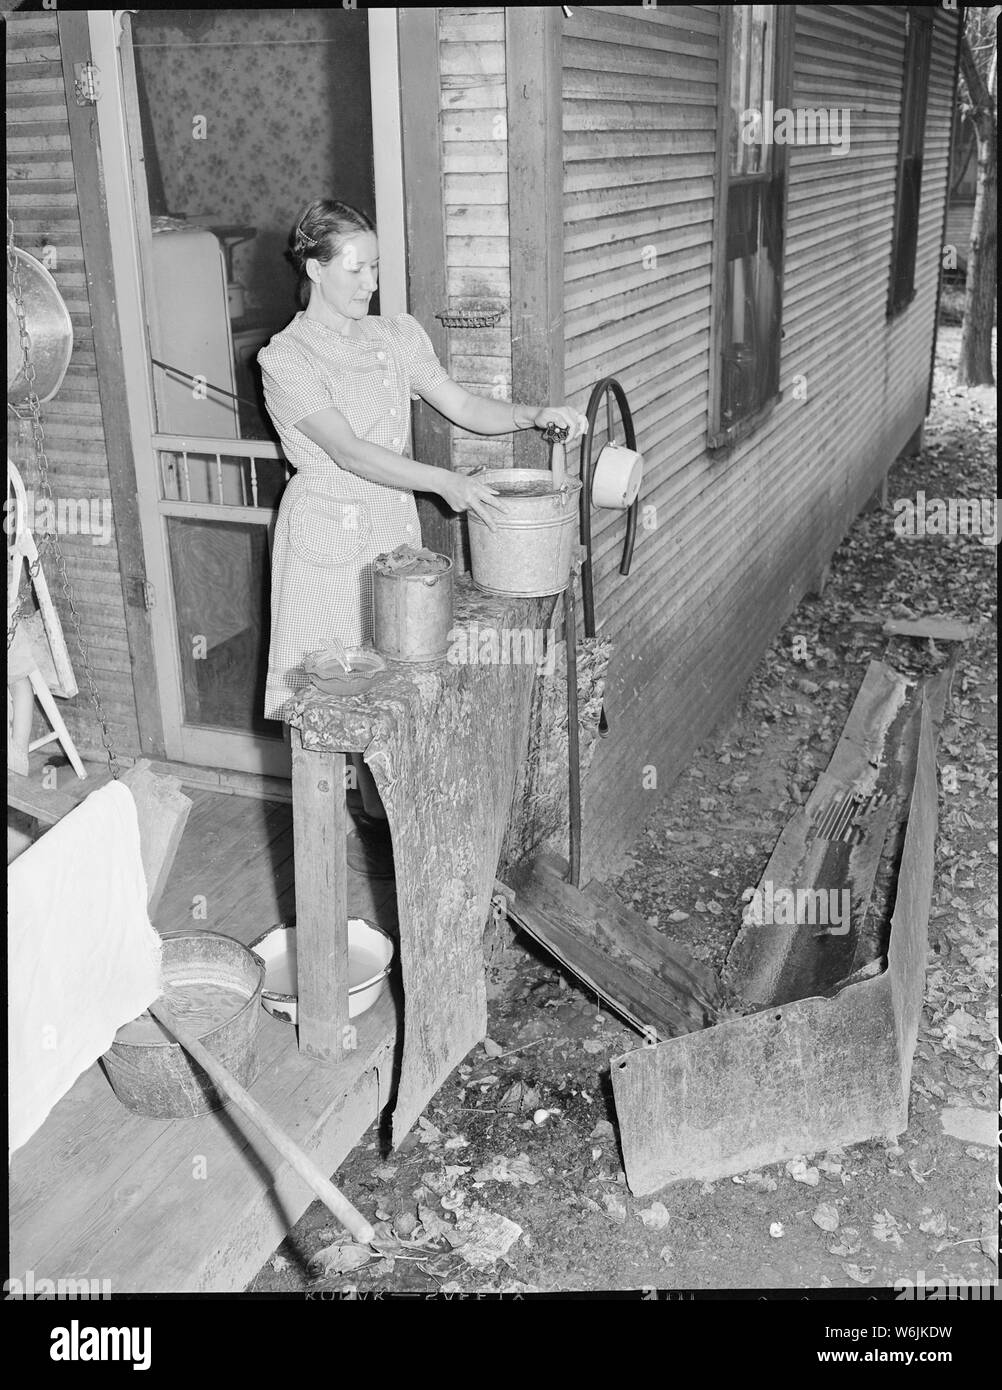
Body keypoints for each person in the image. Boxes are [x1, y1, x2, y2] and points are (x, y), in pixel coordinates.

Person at [259, 198, 587, 873]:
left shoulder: (395, 336)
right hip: (325, 534)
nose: (369, 282)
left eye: (375, 267)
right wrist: (446, 482)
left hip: (390, 530)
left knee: (397, 688)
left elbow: (462, 404)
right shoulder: (285, 359)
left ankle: (390, 836)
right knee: (326, 700)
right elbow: (348, 452)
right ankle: (321, 853)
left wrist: (535, 413)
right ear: (314, 269)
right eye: (354, 268)